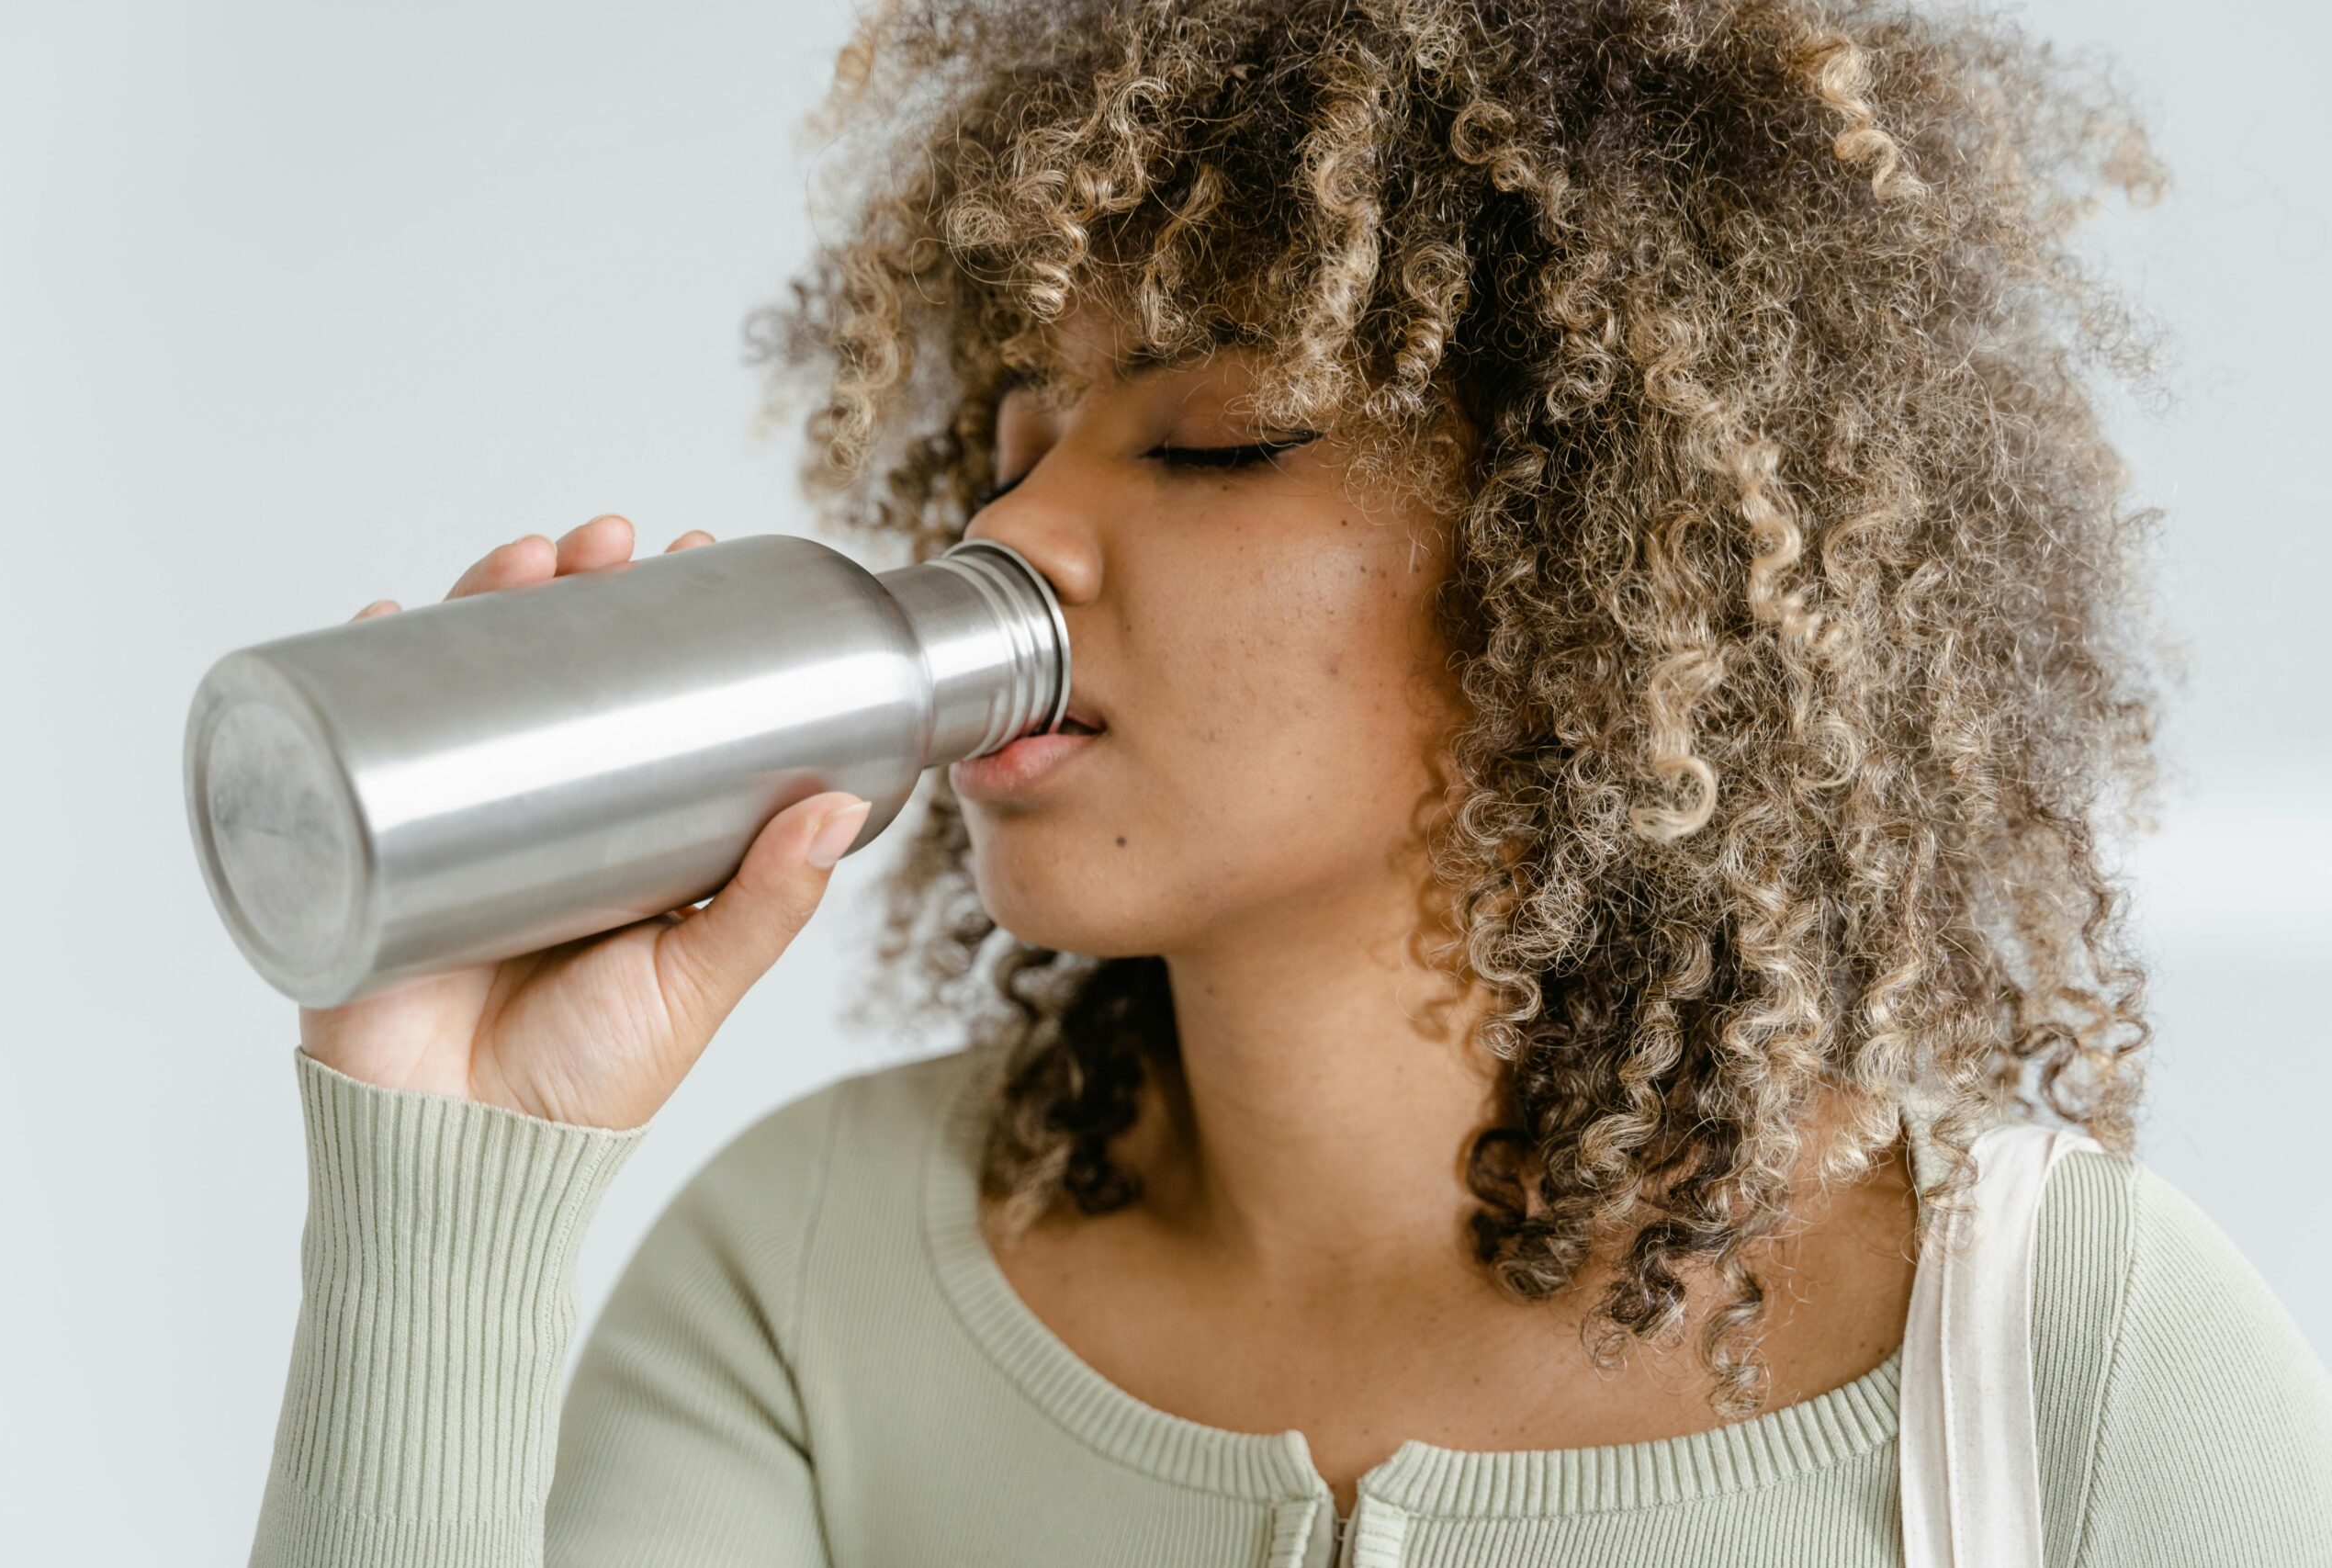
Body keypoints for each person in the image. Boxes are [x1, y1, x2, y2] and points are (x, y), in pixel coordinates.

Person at [245, 1, 2332, 1564]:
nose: (1019, 534)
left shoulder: (2065, 1367)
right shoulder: (804, 1284)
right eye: (1010, 431)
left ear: (1592, 562)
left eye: (1213, 437)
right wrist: (439, 1173)